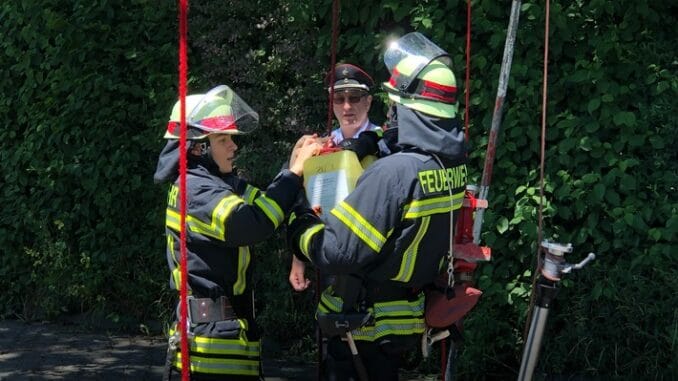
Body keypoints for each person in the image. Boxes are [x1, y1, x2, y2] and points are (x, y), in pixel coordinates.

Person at [286, 32, 468, 380]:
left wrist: (301, 224)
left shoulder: (393, 172)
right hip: (402, 321)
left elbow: (339, 252)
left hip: (360, 325)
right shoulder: (448, 168)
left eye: (395, 104)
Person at [153, 84, 320, 380]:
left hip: (227, 337)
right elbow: (251, 225)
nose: (234, 146)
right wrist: (293, 175)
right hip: (209, 350)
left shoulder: (220, 186)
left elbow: (270, 204)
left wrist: (293, 164)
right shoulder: (196, 191)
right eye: (223, 139)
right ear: (198, 147)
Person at [288, 63, 385, 292]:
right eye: (339, 99)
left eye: (355, 97)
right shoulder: (318, 149)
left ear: (369, 102)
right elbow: (303, 203)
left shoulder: (386, 142)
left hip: (375, 255)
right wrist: (298, 259)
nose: (347, 106)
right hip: (331, 252)